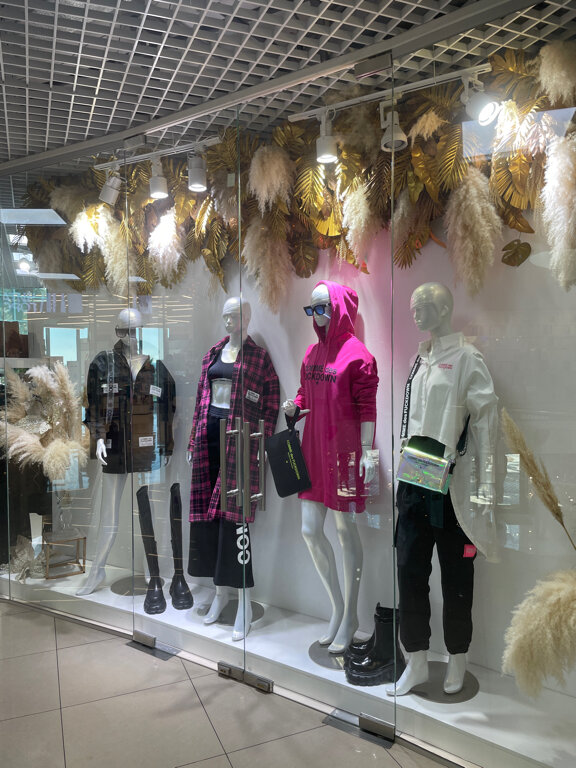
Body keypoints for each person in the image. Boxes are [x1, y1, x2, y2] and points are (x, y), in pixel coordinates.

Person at [388, 283, 498, 696]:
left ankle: (458, 658)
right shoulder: (420, 360)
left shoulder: (467, 358)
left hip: (451, 487)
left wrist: (488, 483)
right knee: (409, 571)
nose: (415, 312)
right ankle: (416, 660)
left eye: (423, 305)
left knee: (456, 575)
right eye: (413, 306)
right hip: (415, 478)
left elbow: (486, 424)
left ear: (445, 308)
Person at [283, 281, 378, 654]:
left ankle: (351, 615)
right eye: (311, 309)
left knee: (344, 531)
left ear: (338, 307)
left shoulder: (359, 356)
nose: (316, 315)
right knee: (309, 530)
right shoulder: (311, 353)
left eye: (322, 307)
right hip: (313, 452)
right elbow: (304, 392)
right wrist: (294, 406)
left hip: (344, 455)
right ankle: (338, 607)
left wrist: (367, 451)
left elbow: (367, 408)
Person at [187, 297, 279, 640]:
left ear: (247, 317)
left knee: (236, 523)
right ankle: (219, 593)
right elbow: (201, 399)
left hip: (239, 443)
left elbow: (271, 404)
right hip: (208, 439)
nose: (229, 322)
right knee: (211, 523)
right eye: (225, 316)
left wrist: (262, 443)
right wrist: (192, 442)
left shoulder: (258, 357)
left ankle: (244, 602)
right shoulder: (212, 353)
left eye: (235, 316)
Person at [77, 308, 176, 605]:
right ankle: (97, 570)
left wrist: (167, 445)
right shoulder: (103, 364)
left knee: (149, 509)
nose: (133, 337)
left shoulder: (156, 367)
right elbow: (92, 406)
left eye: (137, 330)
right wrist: (98, 438)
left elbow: (167, 409)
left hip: (146, 449)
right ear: (118, 332)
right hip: (116, 448)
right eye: (127, 331)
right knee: (109, 514)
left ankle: (151, 569)